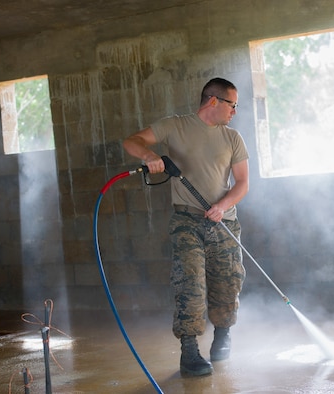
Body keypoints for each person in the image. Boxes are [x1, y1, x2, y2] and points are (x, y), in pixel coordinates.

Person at [123, 77, 249, 376]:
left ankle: (222, 336)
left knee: (228, 283)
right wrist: (150, 155)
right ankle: (190, 351)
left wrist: (221, 205)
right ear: (213, 101)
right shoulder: (174, 126)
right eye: (233, 105)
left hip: (223, 221)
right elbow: (132, 141)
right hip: (187, 220)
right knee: (190, 282)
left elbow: (243, 183)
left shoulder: (232, 138)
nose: (235, 112)